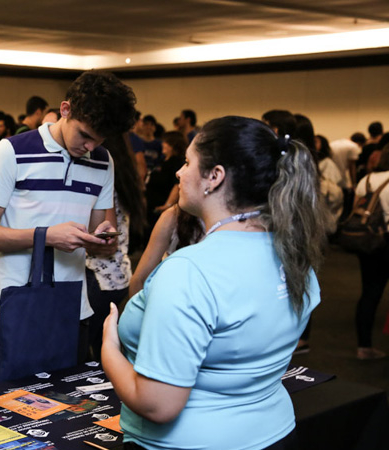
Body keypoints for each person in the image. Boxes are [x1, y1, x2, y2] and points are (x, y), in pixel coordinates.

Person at [102, 116, 325, 449]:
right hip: (274, 433)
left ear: (214, 177)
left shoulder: (189, 271)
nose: (179, 172)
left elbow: (157, 404)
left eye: (188, 162)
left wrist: (109, 348)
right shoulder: (295, 256)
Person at [0, 70, 137, 384]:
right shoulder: (12, 151)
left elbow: (105, 237)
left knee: (63, 412)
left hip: (73, 307)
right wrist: (46, 237)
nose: (89, 146)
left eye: (99, 140)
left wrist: (103, 239)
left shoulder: (103, 161)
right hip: (15, 304)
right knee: (1, 410)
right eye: (84, 135)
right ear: (65, 109)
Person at [84, 131, 147, 362]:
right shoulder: (125, 177)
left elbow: (107, 241)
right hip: (117, 273)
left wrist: (69, 240)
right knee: (102, 347)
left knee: (94, 352)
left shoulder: (104, 181)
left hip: (100, 276)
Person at [352, 144, 389, 360]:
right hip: (387, 238)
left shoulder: (365, 180)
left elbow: (357, 209)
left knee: (369, 293)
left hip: (367, 241)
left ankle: (364, 346)